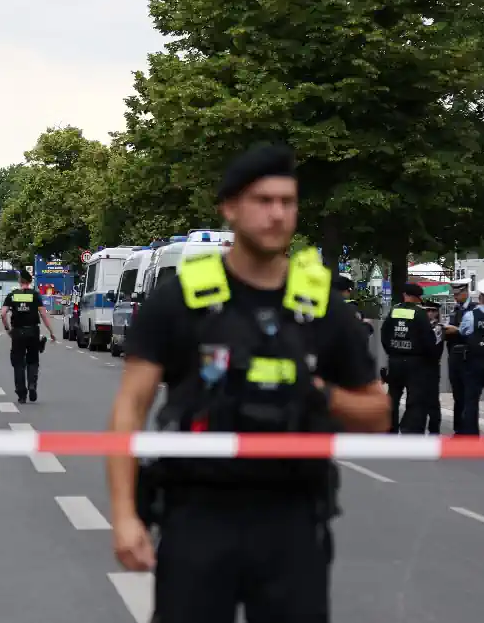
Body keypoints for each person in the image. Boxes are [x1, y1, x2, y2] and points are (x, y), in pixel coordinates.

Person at [106, 143, 389, 623]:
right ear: (230, 208)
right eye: (263, 201)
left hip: (293, 518)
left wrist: (319, 394)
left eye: (287, 202)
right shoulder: (179, 301)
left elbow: (378, 417)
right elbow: (129, 410)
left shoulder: (323, 307)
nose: (277, 214)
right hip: (198, 515)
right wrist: (125, 515)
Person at [380, 283, 438, 434]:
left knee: (393, 396)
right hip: (415, 363)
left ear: (405, 294)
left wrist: (392, 351)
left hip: (395, 360)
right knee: (415, 399)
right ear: (418, 297)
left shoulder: (393, 311)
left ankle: (389, 428)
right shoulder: (420, 314)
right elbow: (428, 340)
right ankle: (409, 430)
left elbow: (384, 334)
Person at [0, 269, 56, 403]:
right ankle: (32, 385)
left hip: (18, 332)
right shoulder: (35, 295)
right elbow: (43, 314)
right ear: (30, 282)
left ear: (20, 281)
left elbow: (2, 314)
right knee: (33, 361)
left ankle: (21, 393)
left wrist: (7, 329)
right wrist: (51, 332)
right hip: (33, 331)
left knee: (18, 363)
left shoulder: (12, 295)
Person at [457, 278, 484, 436]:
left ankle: (472, 434)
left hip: (475, 363)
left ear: (479, 296)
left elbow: (463, 332)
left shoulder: (471, 316)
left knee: (471, 400)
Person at [443, 279, 475, 428]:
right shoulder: (455, 309)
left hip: (469, 357)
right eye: (454, 294)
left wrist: (456, 330)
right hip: (454, 356)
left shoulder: (475, 309)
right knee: (457, 394)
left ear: (465, 292)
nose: (455, 297)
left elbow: (474, 334)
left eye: (457, 294)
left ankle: (467, 428)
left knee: (468, 395)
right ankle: (458, 428)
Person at [423, 300, 445, 434]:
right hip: (418, 368)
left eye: (433, 311)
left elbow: (436, 350)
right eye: (427, 310)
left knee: (432, 401)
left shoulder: (438, 328)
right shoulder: (420, 325)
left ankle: (434, 430)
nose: (430, 313)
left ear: (437, 313)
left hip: (431, 367)